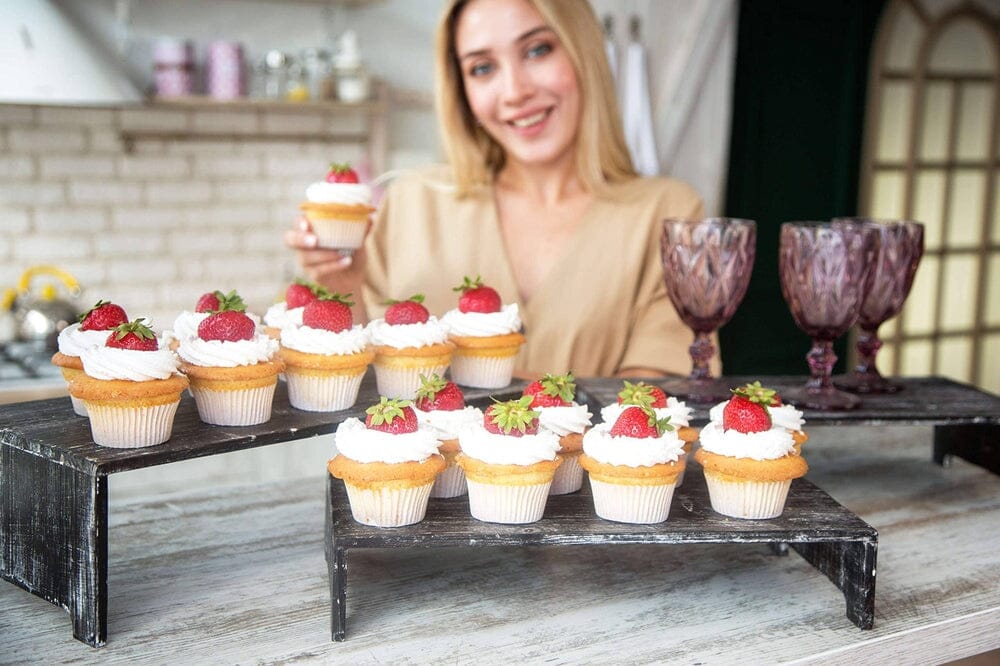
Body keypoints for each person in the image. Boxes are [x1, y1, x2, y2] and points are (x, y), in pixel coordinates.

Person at [285, 0, 716, 379]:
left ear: (584, 51)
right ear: (462, 89)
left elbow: (655, 400)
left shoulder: (670, 212)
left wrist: (467, 380)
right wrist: (343, 285)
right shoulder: (412, 202)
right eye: (482, 68)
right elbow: (361, 382)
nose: (515, 92)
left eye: (538, 49)